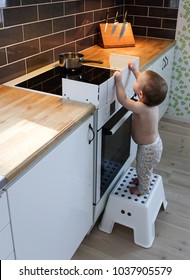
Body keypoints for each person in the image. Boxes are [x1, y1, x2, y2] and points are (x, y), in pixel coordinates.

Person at [114, 62, 168, 195]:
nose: (137, 78)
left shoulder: (141, 107)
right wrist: (134, 70)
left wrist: (118, 80)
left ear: (140, 94)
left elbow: (123, 100)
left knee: (143, 169)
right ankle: (142, 180)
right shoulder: (152, 102)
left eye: (137, 80)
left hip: (148, 150)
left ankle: (143, 190)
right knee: (144, 169)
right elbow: (143, 81)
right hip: (153, 146)